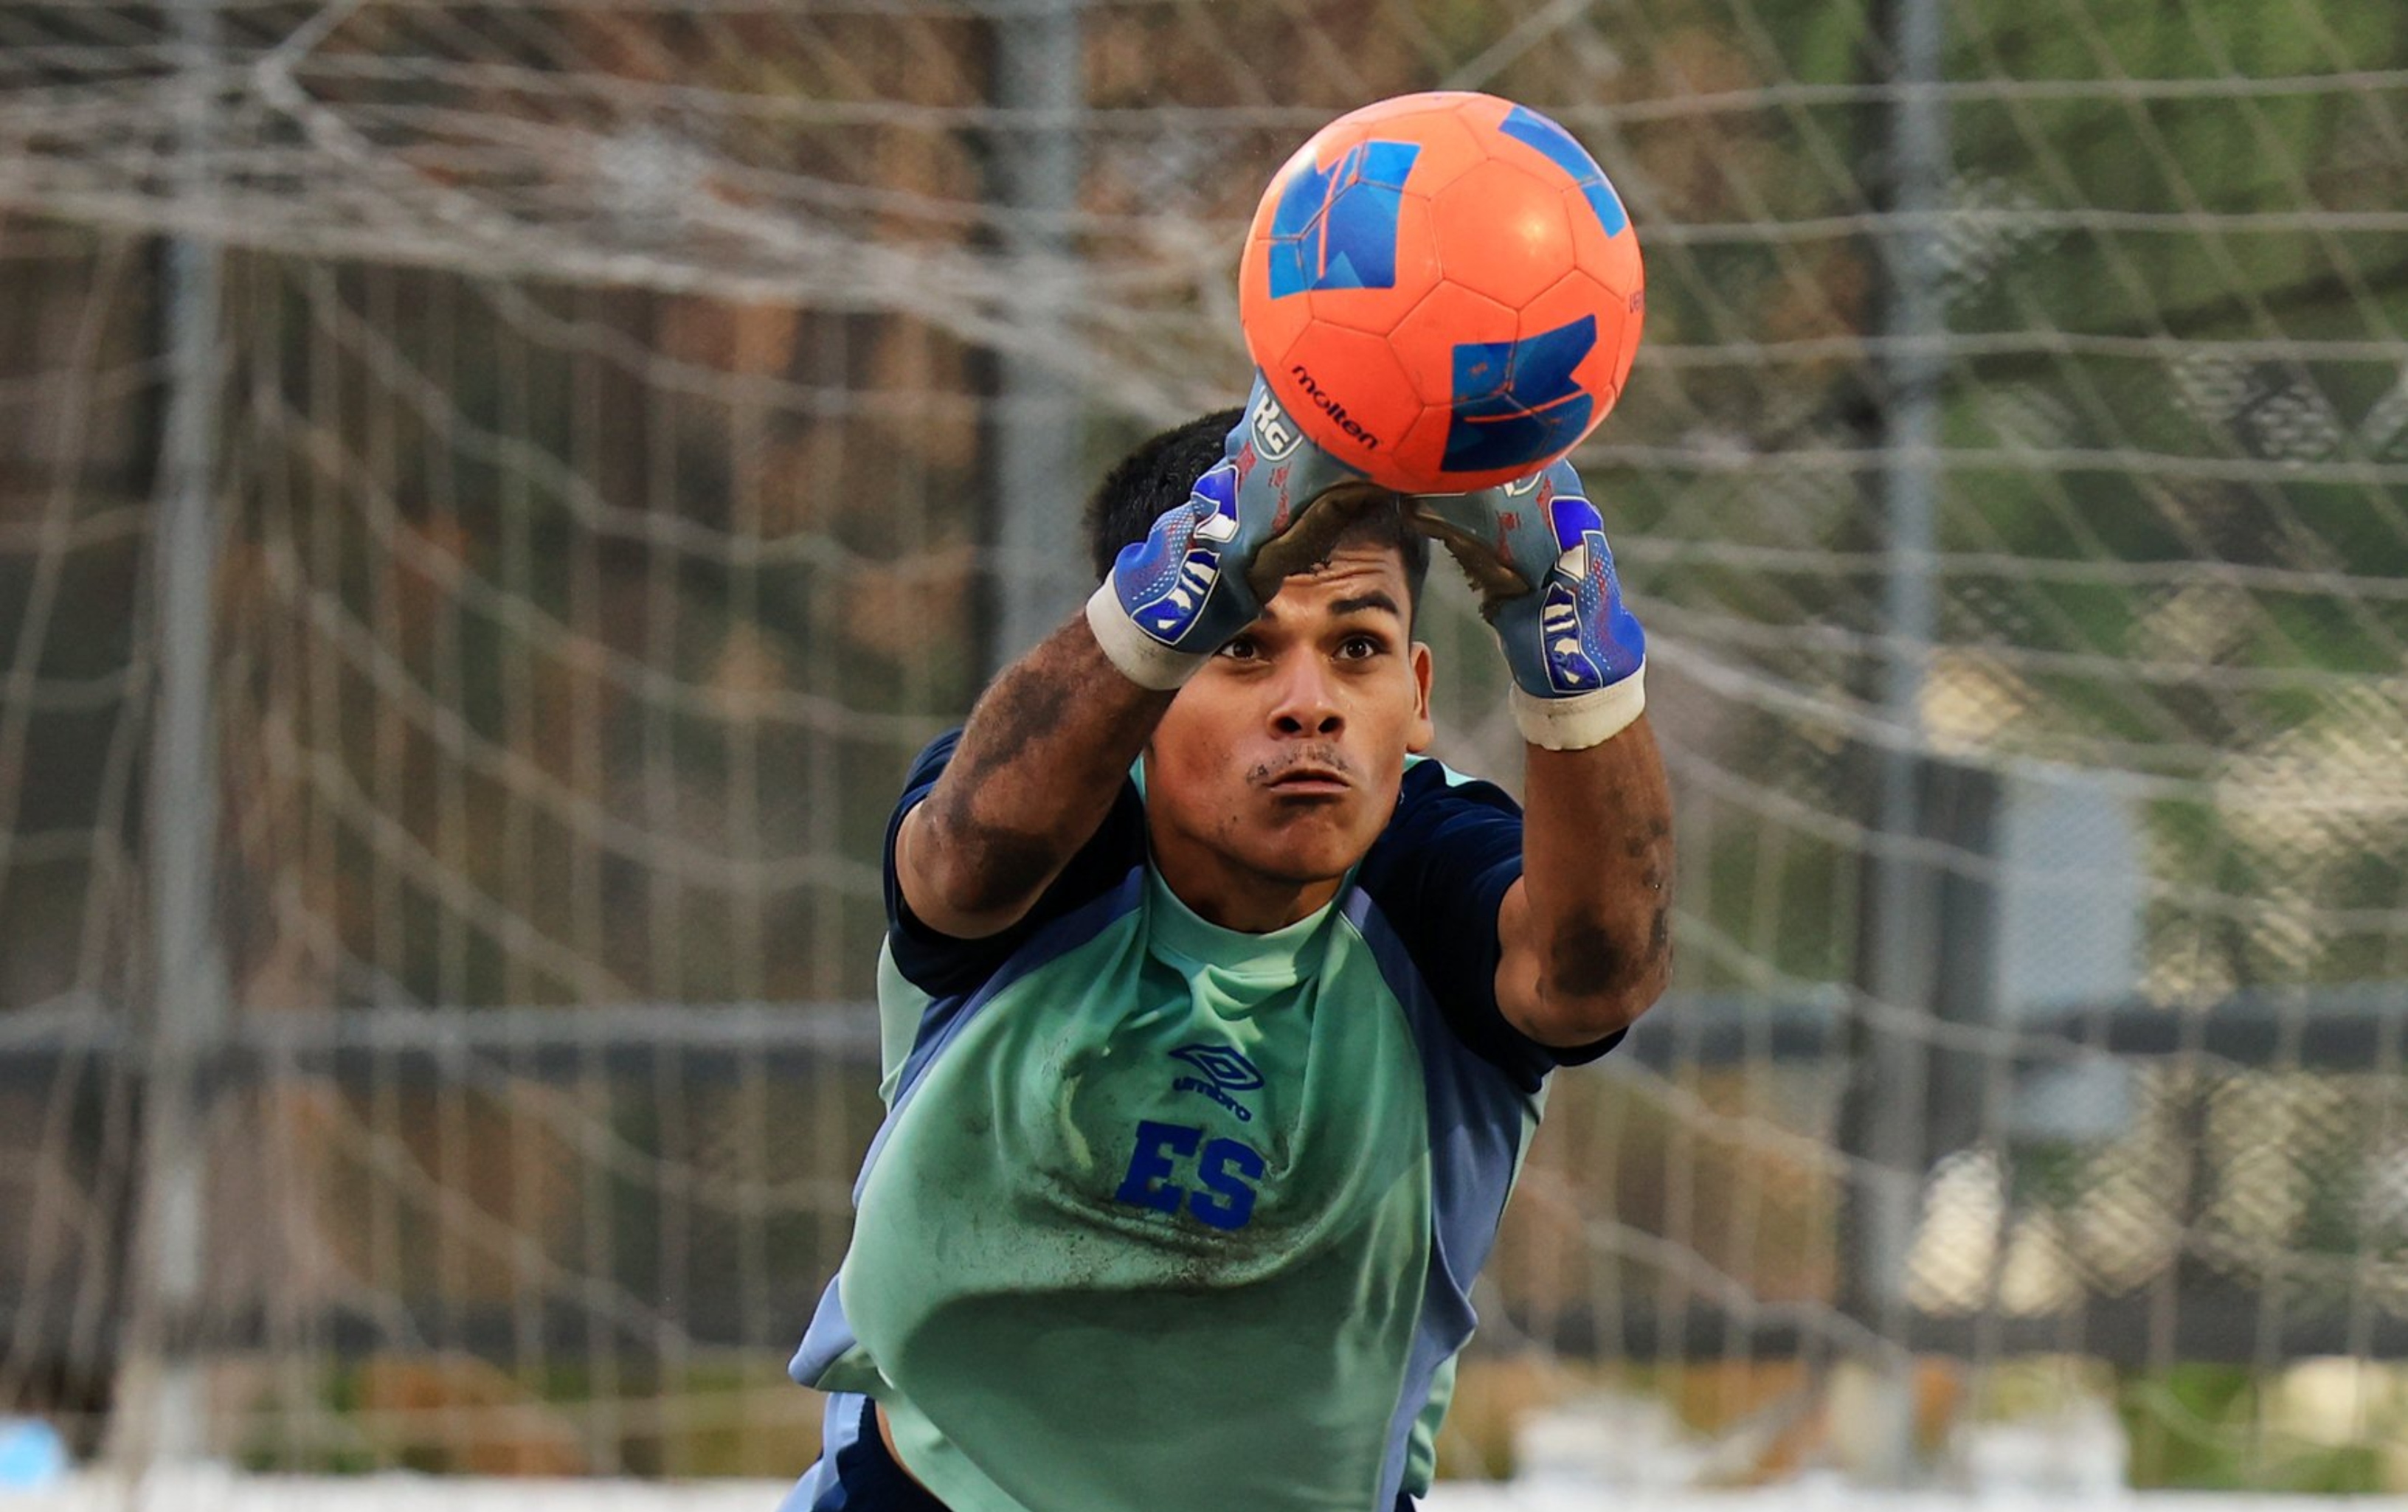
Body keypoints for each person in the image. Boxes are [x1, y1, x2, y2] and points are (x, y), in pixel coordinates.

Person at [780, 376, 1672, 1512]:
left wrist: (1578, 673)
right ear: (1151, 674)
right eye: (1243, 649)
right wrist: (1179, 579)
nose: (1311, 702)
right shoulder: (1054, 822)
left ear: (1418, 694)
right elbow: (960, 863)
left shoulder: (1435, 869)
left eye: (1357, 647)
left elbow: (1593, 978)